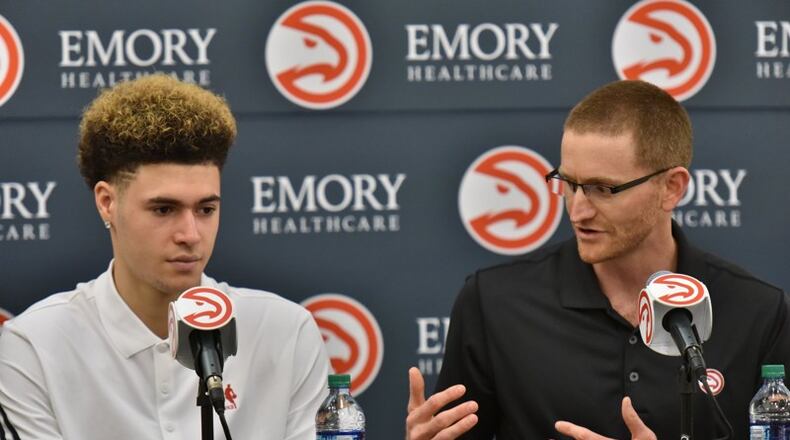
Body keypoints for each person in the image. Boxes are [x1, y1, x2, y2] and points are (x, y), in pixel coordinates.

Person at [405, 80, 790, 440]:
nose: (578, 211)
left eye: (603, 189)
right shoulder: (493, 303)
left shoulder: (757, 313)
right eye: (569, 184)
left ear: (671, 188)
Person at [0, 74, 330, 439]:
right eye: (163, 209)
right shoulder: (34, 345)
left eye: (206, 209)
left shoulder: (286, 332)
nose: (190, 235)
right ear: (107, 203)